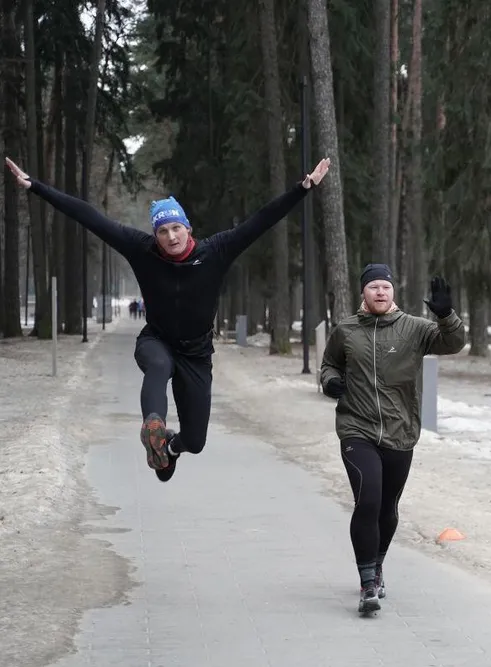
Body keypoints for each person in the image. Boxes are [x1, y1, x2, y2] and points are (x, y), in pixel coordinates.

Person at [5, 155, 331, 483]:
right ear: (155, 234)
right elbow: (91, 218)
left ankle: (169, 448)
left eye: (176, 228)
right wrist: (37, 188)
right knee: (159, 365)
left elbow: (262, 220)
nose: (171, 237)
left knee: (196, 442)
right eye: (163, 231)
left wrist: (303, 188)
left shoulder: (216, 251)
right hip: (156, 341)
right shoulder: (140, 249)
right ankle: (154, 427)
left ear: (188, 228)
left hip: (197, 353)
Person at [319, 264, 466, 614]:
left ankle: (378, 562)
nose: (380, 292)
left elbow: (454, 343)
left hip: (401, 431)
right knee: (367, 500)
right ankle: (367, 581)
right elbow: (329, 365)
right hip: (357, 428)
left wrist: (446, 315)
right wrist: (330, 382)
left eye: (385, 286)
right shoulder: (347, 329)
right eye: (373, 287)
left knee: (387, 508)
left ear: (393, 292)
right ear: (363, 293)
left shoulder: (413, 328)